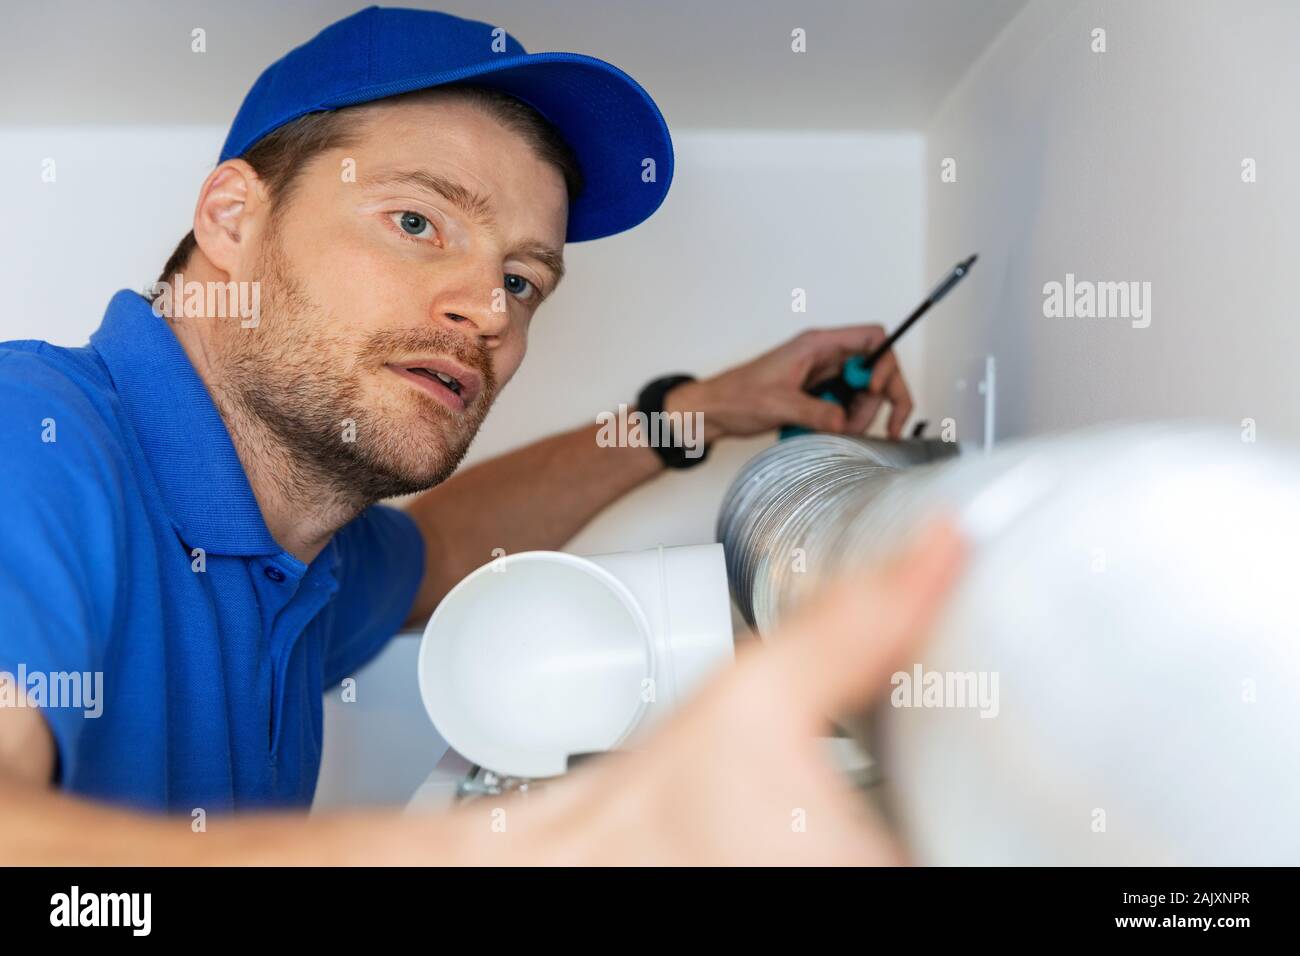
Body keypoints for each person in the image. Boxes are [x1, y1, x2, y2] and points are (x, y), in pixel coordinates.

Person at [0, 6, 942, 865]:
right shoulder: (36, 445)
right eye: (417, 221)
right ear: (233, 218)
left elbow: (445, 549)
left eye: (525, 280)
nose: (489, 311)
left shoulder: (298, 548)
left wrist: (692, 412)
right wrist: (547, 839)